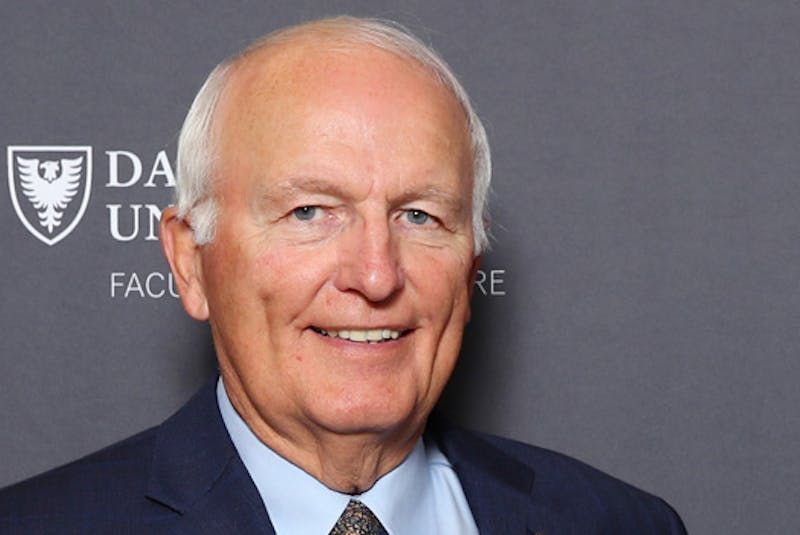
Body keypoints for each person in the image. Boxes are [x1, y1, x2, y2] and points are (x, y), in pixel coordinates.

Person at [0, 16, 686, 534]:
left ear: (469, 267)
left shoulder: (620, 522)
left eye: (419, 215)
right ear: (191, 262)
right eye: (310, 211)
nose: (376, 275)